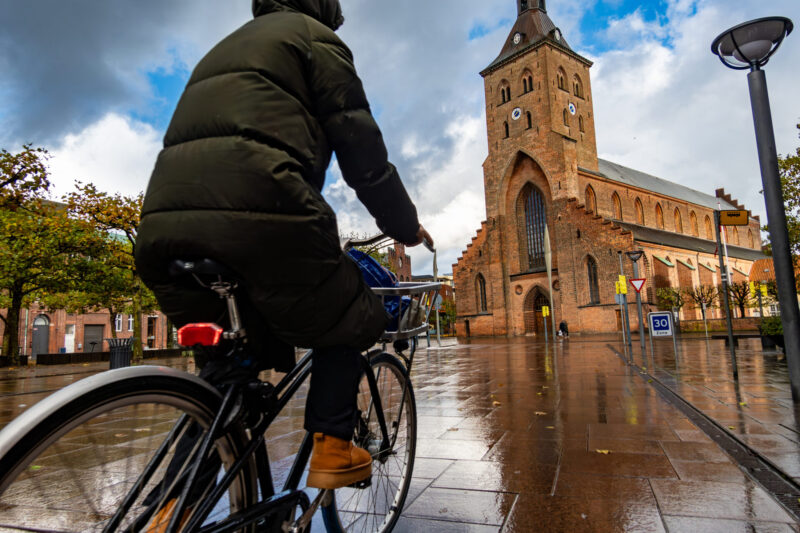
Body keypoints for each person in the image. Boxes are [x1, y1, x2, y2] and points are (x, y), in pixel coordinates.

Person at [135, 0, 431, 492]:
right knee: (351, 316)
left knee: (227, 375)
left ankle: (171, 507)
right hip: (262, 213)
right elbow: (364, 157)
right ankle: (333, 445)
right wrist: (405, 226)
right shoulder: (316, 40)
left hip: (163, 233)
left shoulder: (222, 48)